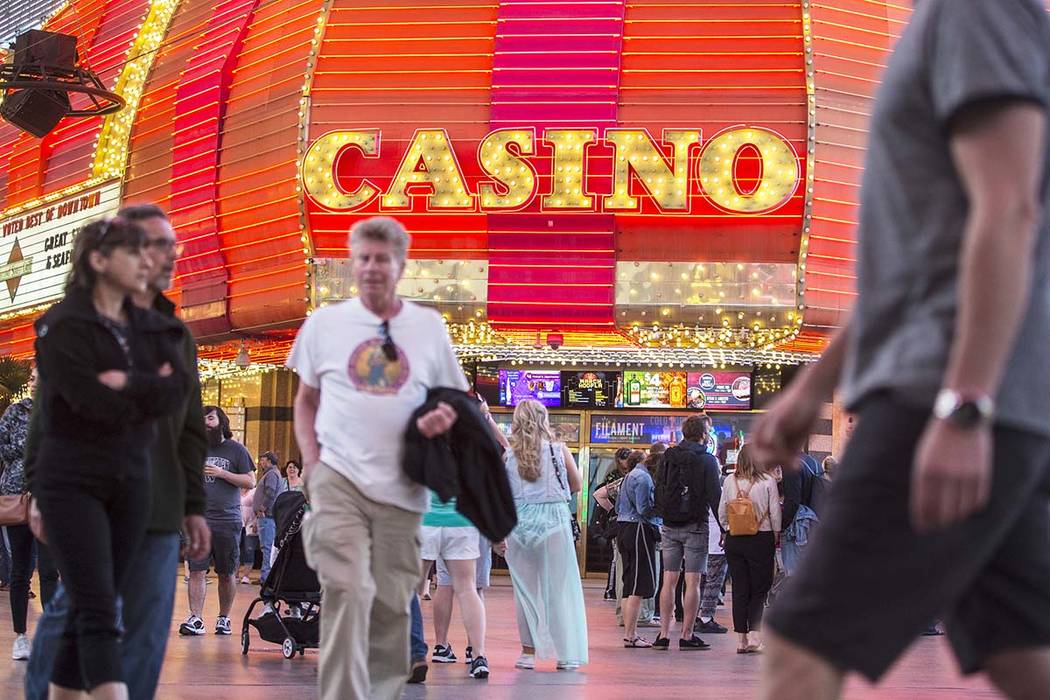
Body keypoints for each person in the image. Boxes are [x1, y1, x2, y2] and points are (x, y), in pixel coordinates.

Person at [753, 4, 1050, 699]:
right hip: (980, 389)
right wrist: (808, 388)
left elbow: (1009, 209)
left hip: (942, 386)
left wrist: (966, 403)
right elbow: (915, 267)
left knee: (802, 640)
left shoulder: (977, 11)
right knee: (1022, 654)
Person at [24, 204, 210, 700]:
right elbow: (57, 406)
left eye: (171, 246)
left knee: (145, 627)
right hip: (79, 485)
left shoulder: (173, 331)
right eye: (153, 245)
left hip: (155, 497)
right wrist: (35, 486)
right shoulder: (73, 323)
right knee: (82, 608)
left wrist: (194, 506)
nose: (166, 257)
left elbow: (188, 421)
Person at [288, 216, 470, 700]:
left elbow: (456, 399)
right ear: (352, 262)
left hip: (402, 486)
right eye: (363, 258)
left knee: (392, 602)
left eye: (382, 259)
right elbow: (306, 400)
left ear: (400, 265)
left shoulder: (427, 328)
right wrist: (312, 461)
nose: (371, 267)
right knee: (344, 588)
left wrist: (440, 421)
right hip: (338, 479)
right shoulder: (324, 324)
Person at [496, 399, 587, 670]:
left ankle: (527, 652)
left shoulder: (508, 456)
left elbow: (502, 495)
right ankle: (566, 654)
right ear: (543, 420)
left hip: (519, 524)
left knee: (525, 591)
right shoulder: (559, 450)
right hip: (553, 522)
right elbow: (577, 484)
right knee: (558, 591)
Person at [179, 406, 255, 637]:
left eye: (210, 418)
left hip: (227, 519)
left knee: (227, 571)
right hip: (199, 519)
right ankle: (196, 618)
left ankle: (224, 619)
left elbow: (250, 482)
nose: (206, 423)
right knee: (197, 570)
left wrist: (222, 474)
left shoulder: (237, 450)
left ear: (222, 421)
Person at [1, 368, 59, 661]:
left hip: (50, 497)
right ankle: (21, 635)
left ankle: (49, 635)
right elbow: (4, 447)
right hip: (18, 495)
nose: (34, 382)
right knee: (20, 569)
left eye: (40, 377)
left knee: (50, 569)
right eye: (32, 378)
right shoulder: (15, 411)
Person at [652, 414, 721, 651]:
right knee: (693, 582)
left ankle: (663, 634)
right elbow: (715, 497)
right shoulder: (708, 460)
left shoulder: (668, 456)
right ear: (703, 434)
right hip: (696, 525)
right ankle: (687, 635)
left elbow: (658, 487)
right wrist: (725, 529)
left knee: (669, 580)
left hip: (669, 525)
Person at [418, 489, 490, 678]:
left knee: (414, 591)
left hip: (425, 520)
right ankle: (478, 656)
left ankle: (411, 652)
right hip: (462, 521)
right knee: (468, 589)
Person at [718, 444, 780, 654]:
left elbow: (722, 511)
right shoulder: (767, 481)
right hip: (761, 538)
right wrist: (776, 534)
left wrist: (727, 528)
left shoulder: (729, 481)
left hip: (735, 539)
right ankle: (754, 636)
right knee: (759, 588)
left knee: (739, 588)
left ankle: (741, 640)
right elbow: (775, 513)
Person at [616, 450, 661, 648]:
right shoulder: (643, 478)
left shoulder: (628, 476)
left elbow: (617, 506)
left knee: (628, 583)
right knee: (638, 583)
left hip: (623, 527)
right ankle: (631, 634)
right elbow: (644, 509)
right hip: (639, 529)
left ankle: (630, 632)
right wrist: (662, 511)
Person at [696, 508, 729, 634]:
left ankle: (695, 616)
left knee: (699, 582)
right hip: (716, 541)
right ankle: (706, 618)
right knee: (714, 582)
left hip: (699, 539)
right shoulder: (717, 490)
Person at [254, 450, 283, 584]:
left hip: (267, 516)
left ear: (269, 461)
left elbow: (270, 492)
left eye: (263, 459)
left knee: (267, 547)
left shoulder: (271, 474)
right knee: (268, 547)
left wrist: (262, 508)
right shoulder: (273, 473)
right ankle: (267, 577)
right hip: (269, 516)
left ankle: (266, 579)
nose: (261, 462)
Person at [238, 485, 259, 584]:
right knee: (236, 550)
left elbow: (258, 506)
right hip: (238, 523)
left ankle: (246, 576)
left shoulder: (254, 491)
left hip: (250, 524)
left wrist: (256, 521)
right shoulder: (236, 489)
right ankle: (235, 575)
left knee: (249, 550)